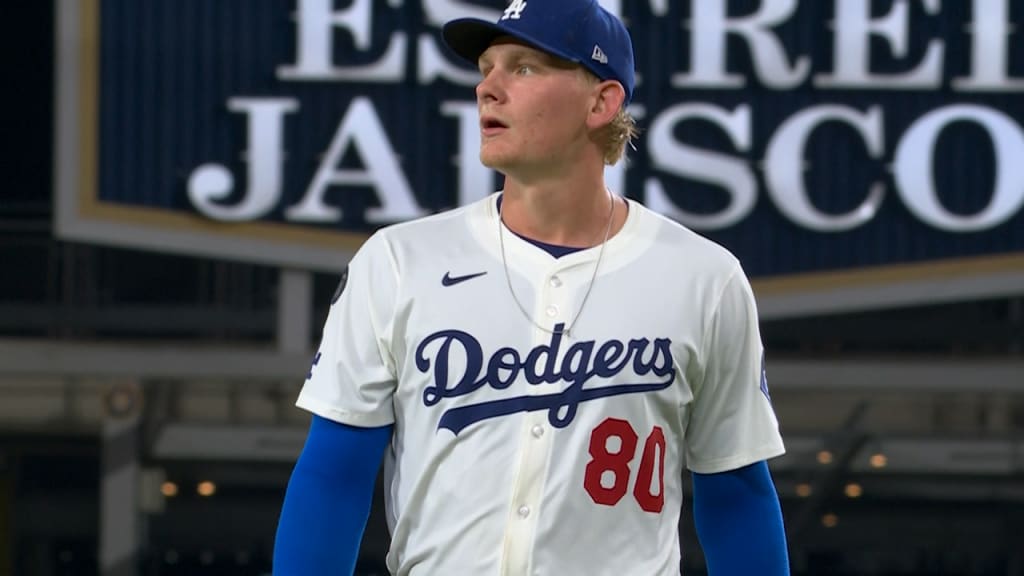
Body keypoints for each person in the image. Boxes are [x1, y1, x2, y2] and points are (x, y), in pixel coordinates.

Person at [273, 0, 790, 574]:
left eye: (522, 67)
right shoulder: (398, 261)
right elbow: (333, 477)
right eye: (485, 69)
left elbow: (737, 494)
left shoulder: (704, 278)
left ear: (602, 102)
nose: (487, 89)